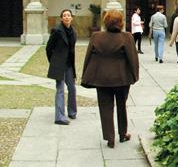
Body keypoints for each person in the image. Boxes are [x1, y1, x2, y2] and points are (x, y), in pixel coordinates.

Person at [81, 10, 139, 149]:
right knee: (121, 106)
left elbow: (88, 57)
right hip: (121, 78)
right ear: (121, 22)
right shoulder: (127, 37)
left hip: (102, 79)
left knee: (105, 108)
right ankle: (123, 134)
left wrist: (86, 75)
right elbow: (133, 58)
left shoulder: (96, 36)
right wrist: (134, 75)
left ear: (105, 22)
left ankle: (110, 138)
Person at [46, 9, 78, 125]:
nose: (66, 17)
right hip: (59, 65)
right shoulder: (57, 31)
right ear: (61, 18)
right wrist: (53, 62)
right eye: (64, 15)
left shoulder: (73, 32)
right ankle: (59, 117)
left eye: (68, 15)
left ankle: (72, 112)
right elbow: (48, 48)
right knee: (60, 90)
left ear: (71, 18)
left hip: (69, 64)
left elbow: (72, 50)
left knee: (72, 88)